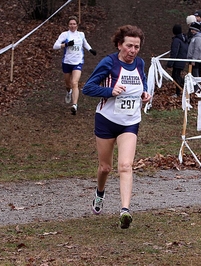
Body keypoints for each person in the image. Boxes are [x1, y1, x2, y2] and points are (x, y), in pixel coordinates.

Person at [82, 25, 152, 229]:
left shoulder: (140, 63)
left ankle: (125, 211)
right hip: (106, 120)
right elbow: (88, 88)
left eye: (137, 47)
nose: (133, 51)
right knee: (106, 167)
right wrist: (110, 91)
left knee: (125, 166)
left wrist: (145, 94)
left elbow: (142, 83)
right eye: (129, 46)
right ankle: (99, 194)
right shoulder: (108, 63)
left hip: (130, 122)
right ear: (120, 45)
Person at [53, 15, 97, 115]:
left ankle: (74, 105)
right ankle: (68, 92)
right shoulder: (64, 35)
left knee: (74, 82)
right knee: (68, 84)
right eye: (71, 24)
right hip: (67, 62)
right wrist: (66, 45)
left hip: (78, 62)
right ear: (68, 25)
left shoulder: (81, 34)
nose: (72, 26)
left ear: (77, 25)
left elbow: (85, 43)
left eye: (74, 24)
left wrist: (90, 50)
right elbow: (55, 46)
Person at [167, 24, 188, 97]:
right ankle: (183, 87)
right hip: (182, 61)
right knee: (176, 75)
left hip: (178, 62)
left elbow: (174, 53)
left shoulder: (176, 40)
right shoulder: (184, 39)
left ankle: (179, 92)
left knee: (176, 76)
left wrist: (170, 63)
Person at [187, 22, 201, 91]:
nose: (191, 31)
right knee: (192, 74)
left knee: (195, 74)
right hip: (192, 59)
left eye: (193, 29)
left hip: (195, 60)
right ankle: (193, 88)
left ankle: (196, 88)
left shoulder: (198, 38)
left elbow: (197, 49)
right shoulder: (194, 37)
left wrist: (193, 60)